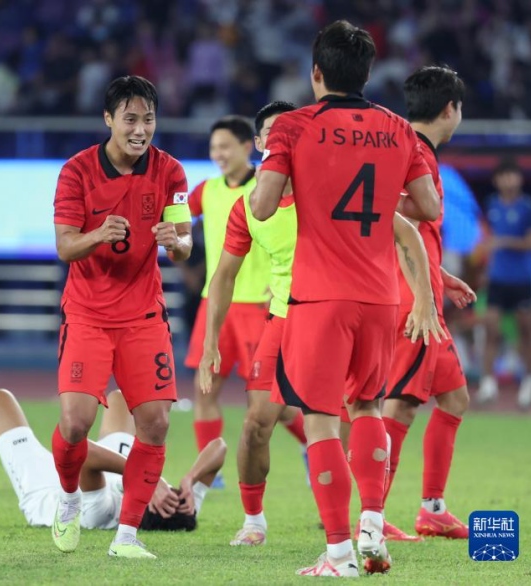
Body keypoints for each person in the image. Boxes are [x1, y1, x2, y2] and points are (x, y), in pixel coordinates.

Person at [249, 20, 443, 577]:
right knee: (367, 408)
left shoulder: (292, 127)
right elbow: (427, 207)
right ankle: (373, 530)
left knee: (319, 421)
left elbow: (262, 207)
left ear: (316, 74)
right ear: (367, 72)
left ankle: (338, 554)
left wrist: (291, 176)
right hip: (382, 296)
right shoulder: (399, 130)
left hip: (319, 297)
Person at [203, 100, 442, 550]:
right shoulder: (250, 207)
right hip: (284, 318)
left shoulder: (330, 188)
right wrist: (211, 341)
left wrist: (429, 294)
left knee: (350, 418)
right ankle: (254, 520)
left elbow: (406, 231)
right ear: (259, 145)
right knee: (257, 424)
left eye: (286, 133)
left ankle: (360, 525)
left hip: (337, 312)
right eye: (272, 136)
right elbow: (224, 276)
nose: (282, 142)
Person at [51, 75, 192, 559]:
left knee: (154, 424)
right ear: (108, 119)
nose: (140, 129)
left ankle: (127, 536)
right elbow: (66, 246)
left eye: (148, 119)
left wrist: (179, 245)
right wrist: (97, 235)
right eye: (130, 119)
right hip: (88, 313)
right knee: (75, 424)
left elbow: (184, 240)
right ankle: (69, 500)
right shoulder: (76, 172)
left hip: (143, 315)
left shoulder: (171, 172)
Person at [381, 66, 476, 542]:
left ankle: (432, 508)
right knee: (399, 406)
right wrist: (422, 294)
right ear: (450, 110)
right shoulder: (414, 153)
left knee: (454, 397)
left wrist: (440, 276)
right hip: (412, 303)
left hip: (426, 294)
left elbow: (408, 231)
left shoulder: (410, 149)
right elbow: (392, 222)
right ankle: (371, 517)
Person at [0, 388, 225, 531]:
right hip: (109, 470)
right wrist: (189, 480)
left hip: (49, 488)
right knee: (121, 399)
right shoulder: (183, 511)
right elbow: (219, 448)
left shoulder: (101, 510)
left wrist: (144, 477)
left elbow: (80, 451)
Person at [184, 115, 280, 477]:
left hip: (261, 304)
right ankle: (210, 472)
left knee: (268, 403)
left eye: (225, 146)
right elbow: (176, 218)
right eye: (213, 148)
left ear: (246, 146)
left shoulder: (272, 187)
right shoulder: (206, 191)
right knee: (204, 390)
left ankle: (306, 443)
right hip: (217, 303)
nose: (218, 154)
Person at [478, 158, 531, 409]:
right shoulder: (491, 205)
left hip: (523, 280)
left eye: (512, 175)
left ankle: (528, 381)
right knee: (491, 329)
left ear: (519, 179)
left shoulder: (529, 207)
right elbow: (487, 241)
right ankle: (487, 383)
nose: (508, 180)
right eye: (503, 176)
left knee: (527, 330)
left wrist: (502, 242)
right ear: (496, 181)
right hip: (497, 279)